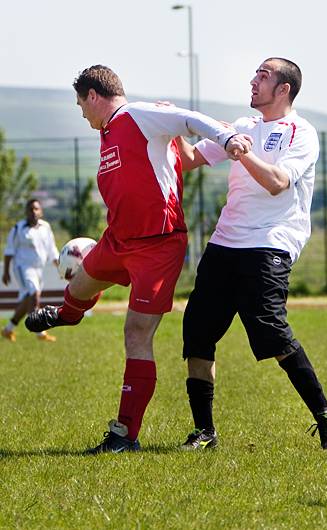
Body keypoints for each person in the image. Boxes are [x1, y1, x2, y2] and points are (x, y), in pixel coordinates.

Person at [24, 64, 253, 454]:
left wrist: (228, 136)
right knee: (77, 289)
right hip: (117, 241)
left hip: (157, 246)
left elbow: (189, 118)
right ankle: (67, 315)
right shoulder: (109, 131)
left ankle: (124, 435)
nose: (81, 113)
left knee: (135, 333)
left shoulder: (137, 115)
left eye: (81, 104)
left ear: (93, 95)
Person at [177, 57, 327, 451]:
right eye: (255, 73)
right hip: (225, 242)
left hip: (271, 242)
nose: (253, 81)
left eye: (263, 75)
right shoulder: (243, 127)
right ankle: (204, 432)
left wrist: (239, 152)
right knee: (197, 332)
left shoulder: (300, 133)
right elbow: (188, 160)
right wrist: (170, 126)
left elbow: (276, 182)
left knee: (270, 329)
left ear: (284, 88)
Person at [1, 198, 59, 343]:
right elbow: (9, 251)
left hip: (39, 269)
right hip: (23, 268)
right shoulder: (18, 228)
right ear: (26, 212)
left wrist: (60, 267)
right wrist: (6, 271)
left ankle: (8, 329)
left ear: (41, 211)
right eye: (30, 209)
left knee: (29, 300)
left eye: (36, 209)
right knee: (34, 294)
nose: (33, 211)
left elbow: (52, 250)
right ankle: (40, 332)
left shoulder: (46, 227)